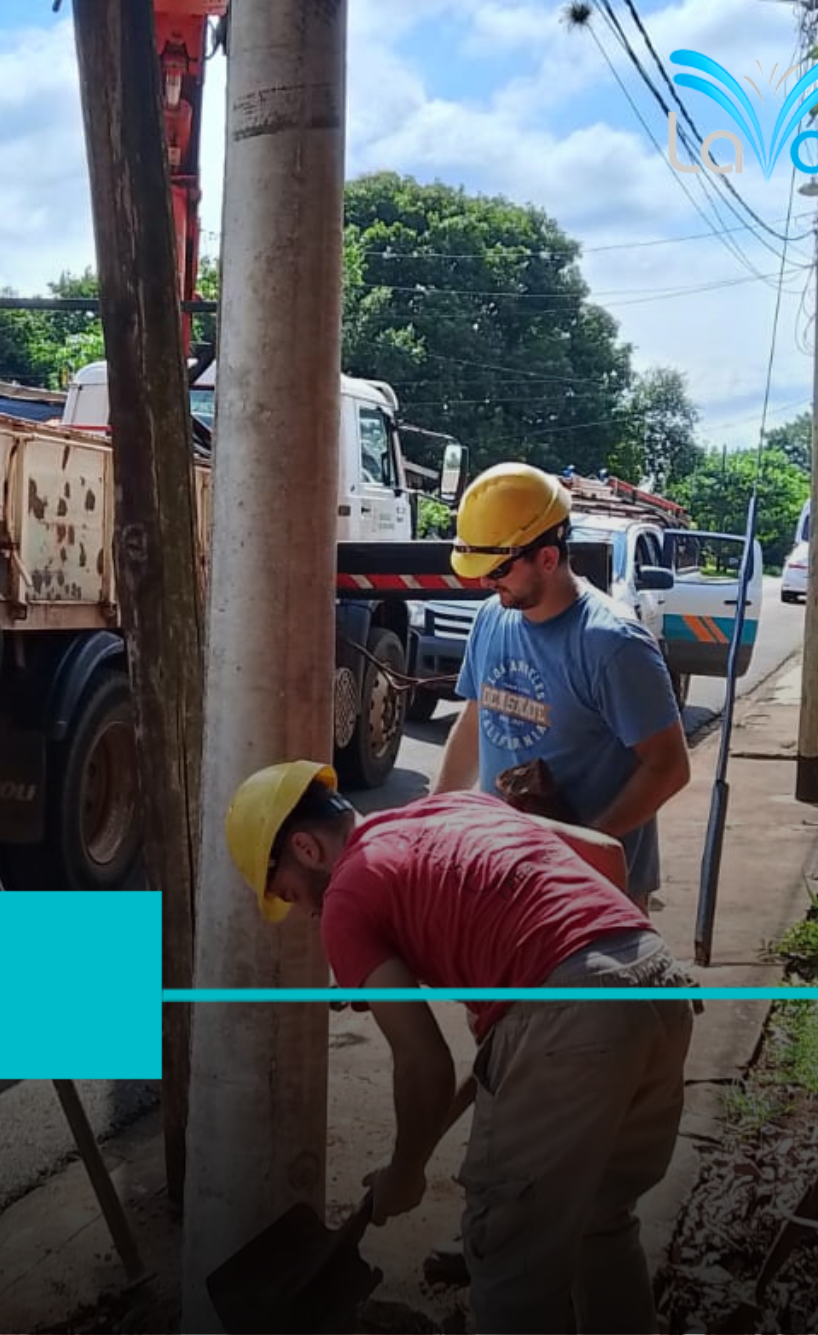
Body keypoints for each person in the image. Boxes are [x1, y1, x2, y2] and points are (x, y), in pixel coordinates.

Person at [226, 760, 697, 1335]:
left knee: (510, 1265)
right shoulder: (456, 807)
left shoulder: (347, 898)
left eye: (291, 894)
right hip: (656, 983)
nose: (305, 913)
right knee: (601, 1222)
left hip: (569, 1019)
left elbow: (423, 1063)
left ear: (304, 846)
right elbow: (606, 856)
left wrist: (405, 1171)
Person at [432, 462, 691, 909]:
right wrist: (433, 818)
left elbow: (669, 767)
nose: (485, 583)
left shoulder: (614, 644)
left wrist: (581, 848)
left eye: (498, 571)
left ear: (547, 558)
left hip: (596, 894)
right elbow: (475, 723)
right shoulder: (492, 619)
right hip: (510, 876)